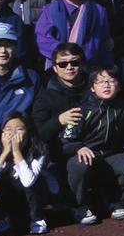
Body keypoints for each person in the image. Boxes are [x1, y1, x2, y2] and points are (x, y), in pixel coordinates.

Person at [61, 66, 124, 225]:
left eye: (111, 81)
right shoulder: (81, 108)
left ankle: (115, 201)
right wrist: (78, 147)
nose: (106, 85)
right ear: (92, 87)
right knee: (78, 164)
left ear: (119, 85)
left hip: (111, 156)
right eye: (100, 82)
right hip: (86, 157)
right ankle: (80, 205)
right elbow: (65, 140)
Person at [31, 43, 88, 204]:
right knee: (79, 164)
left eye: (74, 62)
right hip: (58, 153)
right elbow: (38, 133)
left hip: (93, 145)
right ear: (55, 68)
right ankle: (77, 204)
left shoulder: (94, 88)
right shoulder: (46, 95)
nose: (69, 67)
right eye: (63, 64)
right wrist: (59, 121)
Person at [35, 0, 113, 68]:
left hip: (89, 65)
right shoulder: (50, 10)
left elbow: (100, 40)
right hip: (59, 66)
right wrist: (66, 56)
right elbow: (43, 39)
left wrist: (79, 57)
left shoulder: (98, 10)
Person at [0, 112, 48, 234]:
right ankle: (0, 219)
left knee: (34, 181)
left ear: (28, 132)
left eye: (19, 130)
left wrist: (17, 152)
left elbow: (28, 181)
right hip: (7, 197)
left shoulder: (38, 151)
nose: (13, 134)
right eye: (8, 129)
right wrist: (5, 152)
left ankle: (37, 218)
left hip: (31, 198)